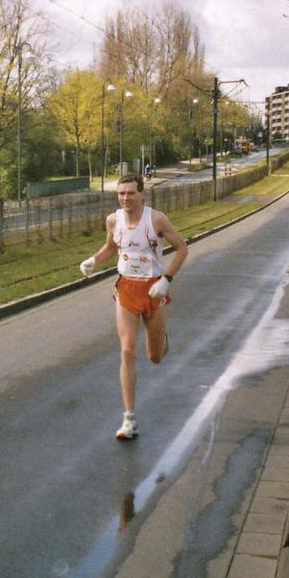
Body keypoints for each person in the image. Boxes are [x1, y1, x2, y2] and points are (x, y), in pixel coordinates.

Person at [79, 172, 188, 440]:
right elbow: (109, 249)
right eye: (121, 193)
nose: (126, 198)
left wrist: (167, 279)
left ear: (142, 194)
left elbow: (182, 248)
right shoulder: (113, 220)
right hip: (126, 288)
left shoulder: (157, 219)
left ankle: (161, 340)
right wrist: (93, 260)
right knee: (127, 351)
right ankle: (129, 419)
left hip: (153, 288)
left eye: (131, 193)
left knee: (155, 356)